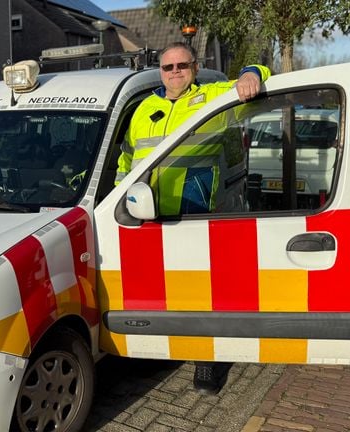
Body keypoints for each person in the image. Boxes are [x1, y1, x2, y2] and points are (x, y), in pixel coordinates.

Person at [116, 42, 271, 395]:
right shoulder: (144, 108)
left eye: (182, 66)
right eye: (168, 67)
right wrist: (121, 199)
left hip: (198, 213)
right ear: (160, 71)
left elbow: (260, 75)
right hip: (150, 214)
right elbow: (127, 158)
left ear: (195, 67)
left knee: (206, 292)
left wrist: (250, 73)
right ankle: (157, 350)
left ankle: (209, 360)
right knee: (160, 292)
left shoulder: (212, 97)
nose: (175, 72)